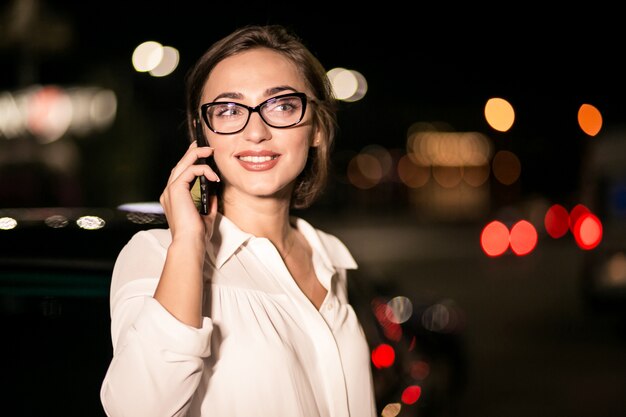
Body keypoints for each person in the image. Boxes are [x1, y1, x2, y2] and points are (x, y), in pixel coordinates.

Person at [100, 24, 377, 417]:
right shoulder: (159, 255)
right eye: (229, 110)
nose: (256, 132)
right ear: (203, 132)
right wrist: (189, 245)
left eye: (281, 105)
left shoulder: (327, 255)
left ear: (315, 127)